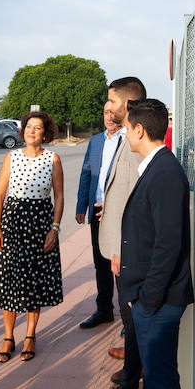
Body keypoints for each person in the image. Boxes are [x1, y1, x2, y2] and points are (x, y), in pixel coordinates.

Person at [111, 98, 193, 389]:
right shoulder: (158, 168)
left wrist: (147, 298)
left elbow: (169, 244)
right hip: (148, 299)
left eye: (126, 127)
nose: (124, 133)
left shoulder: (165, 172)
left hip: (157, 303)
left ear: (139, 130)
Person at [86, 75, 148, 389]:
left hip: (127, 250)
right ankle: (129, 378)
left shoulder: (134, 142)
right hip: (120, 247)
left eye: (111, 100)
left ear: (126, 104)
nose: (106, 106)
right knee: (130, 323)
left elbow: (133, 202)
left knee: (133, 321)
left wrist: (121, 249)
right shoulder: (124, 138)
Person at [0, 110, 64, 362]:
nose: (32, 131)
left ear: (45, 133)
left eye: (38, 127)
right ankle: (8, 336)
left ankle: (30, 335)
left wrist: (54, 228)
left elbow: (59, 196)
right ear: (23, 131)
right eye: (29, 127)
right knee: (10, 281)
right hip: (12, 224)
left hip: (40, 224)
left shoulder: (52, 159)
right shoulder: (11, 157)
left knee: (34, 282)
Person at [75, 102, 122, 329]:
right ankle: (104, 310)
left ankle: (128, 318)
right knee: (100, 263)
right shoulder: (95, 141)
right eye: (105, 112)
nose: (109, 117)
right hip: (96, 208)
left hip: (119, 210)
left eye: (113, 113)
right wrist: (81, 206)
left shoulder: (128, 140)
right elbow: (86, 173)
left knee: (122, 264)